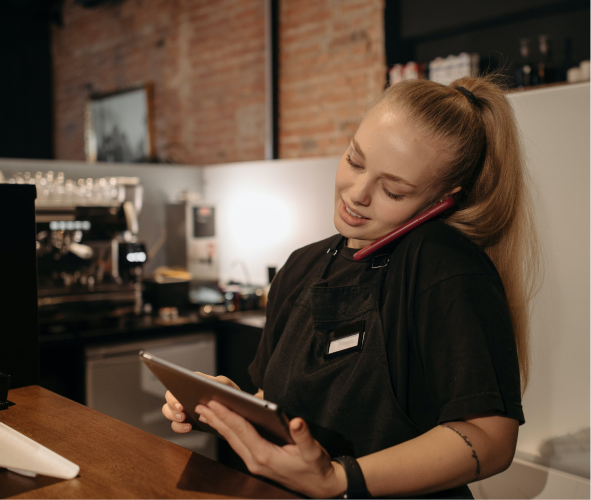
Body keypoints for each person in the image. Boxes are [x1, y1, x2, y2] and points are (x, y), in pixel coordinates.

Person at [162, 75, 540, 499]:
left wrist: (340, 481)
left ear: (442, 199)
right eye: (355, 161)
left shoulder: (442, 264)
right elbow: (279, 403)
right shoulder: (302, 264)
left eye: (393, 190)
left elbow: (491, 439)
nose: (357, 194)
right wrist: (231, 408)